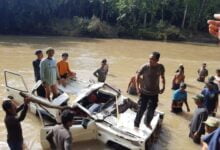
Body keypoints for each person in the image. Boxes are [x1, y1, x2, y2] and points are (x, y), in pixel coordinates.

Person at [134, 51, 165, 129]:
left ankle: (147, 123)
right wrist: (138, 88)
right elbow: (137, 76)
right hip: (144, 92)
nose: (149, 60)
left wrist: (163, 86)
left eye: (152, 59)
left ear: (157, 60)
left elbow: (162, 77)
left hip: (154, 93)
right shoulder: (145, 67)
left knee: (152, 110)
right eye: (149, 58)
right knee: (141, 109)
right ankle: (136, 124)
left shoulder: (160, 67)